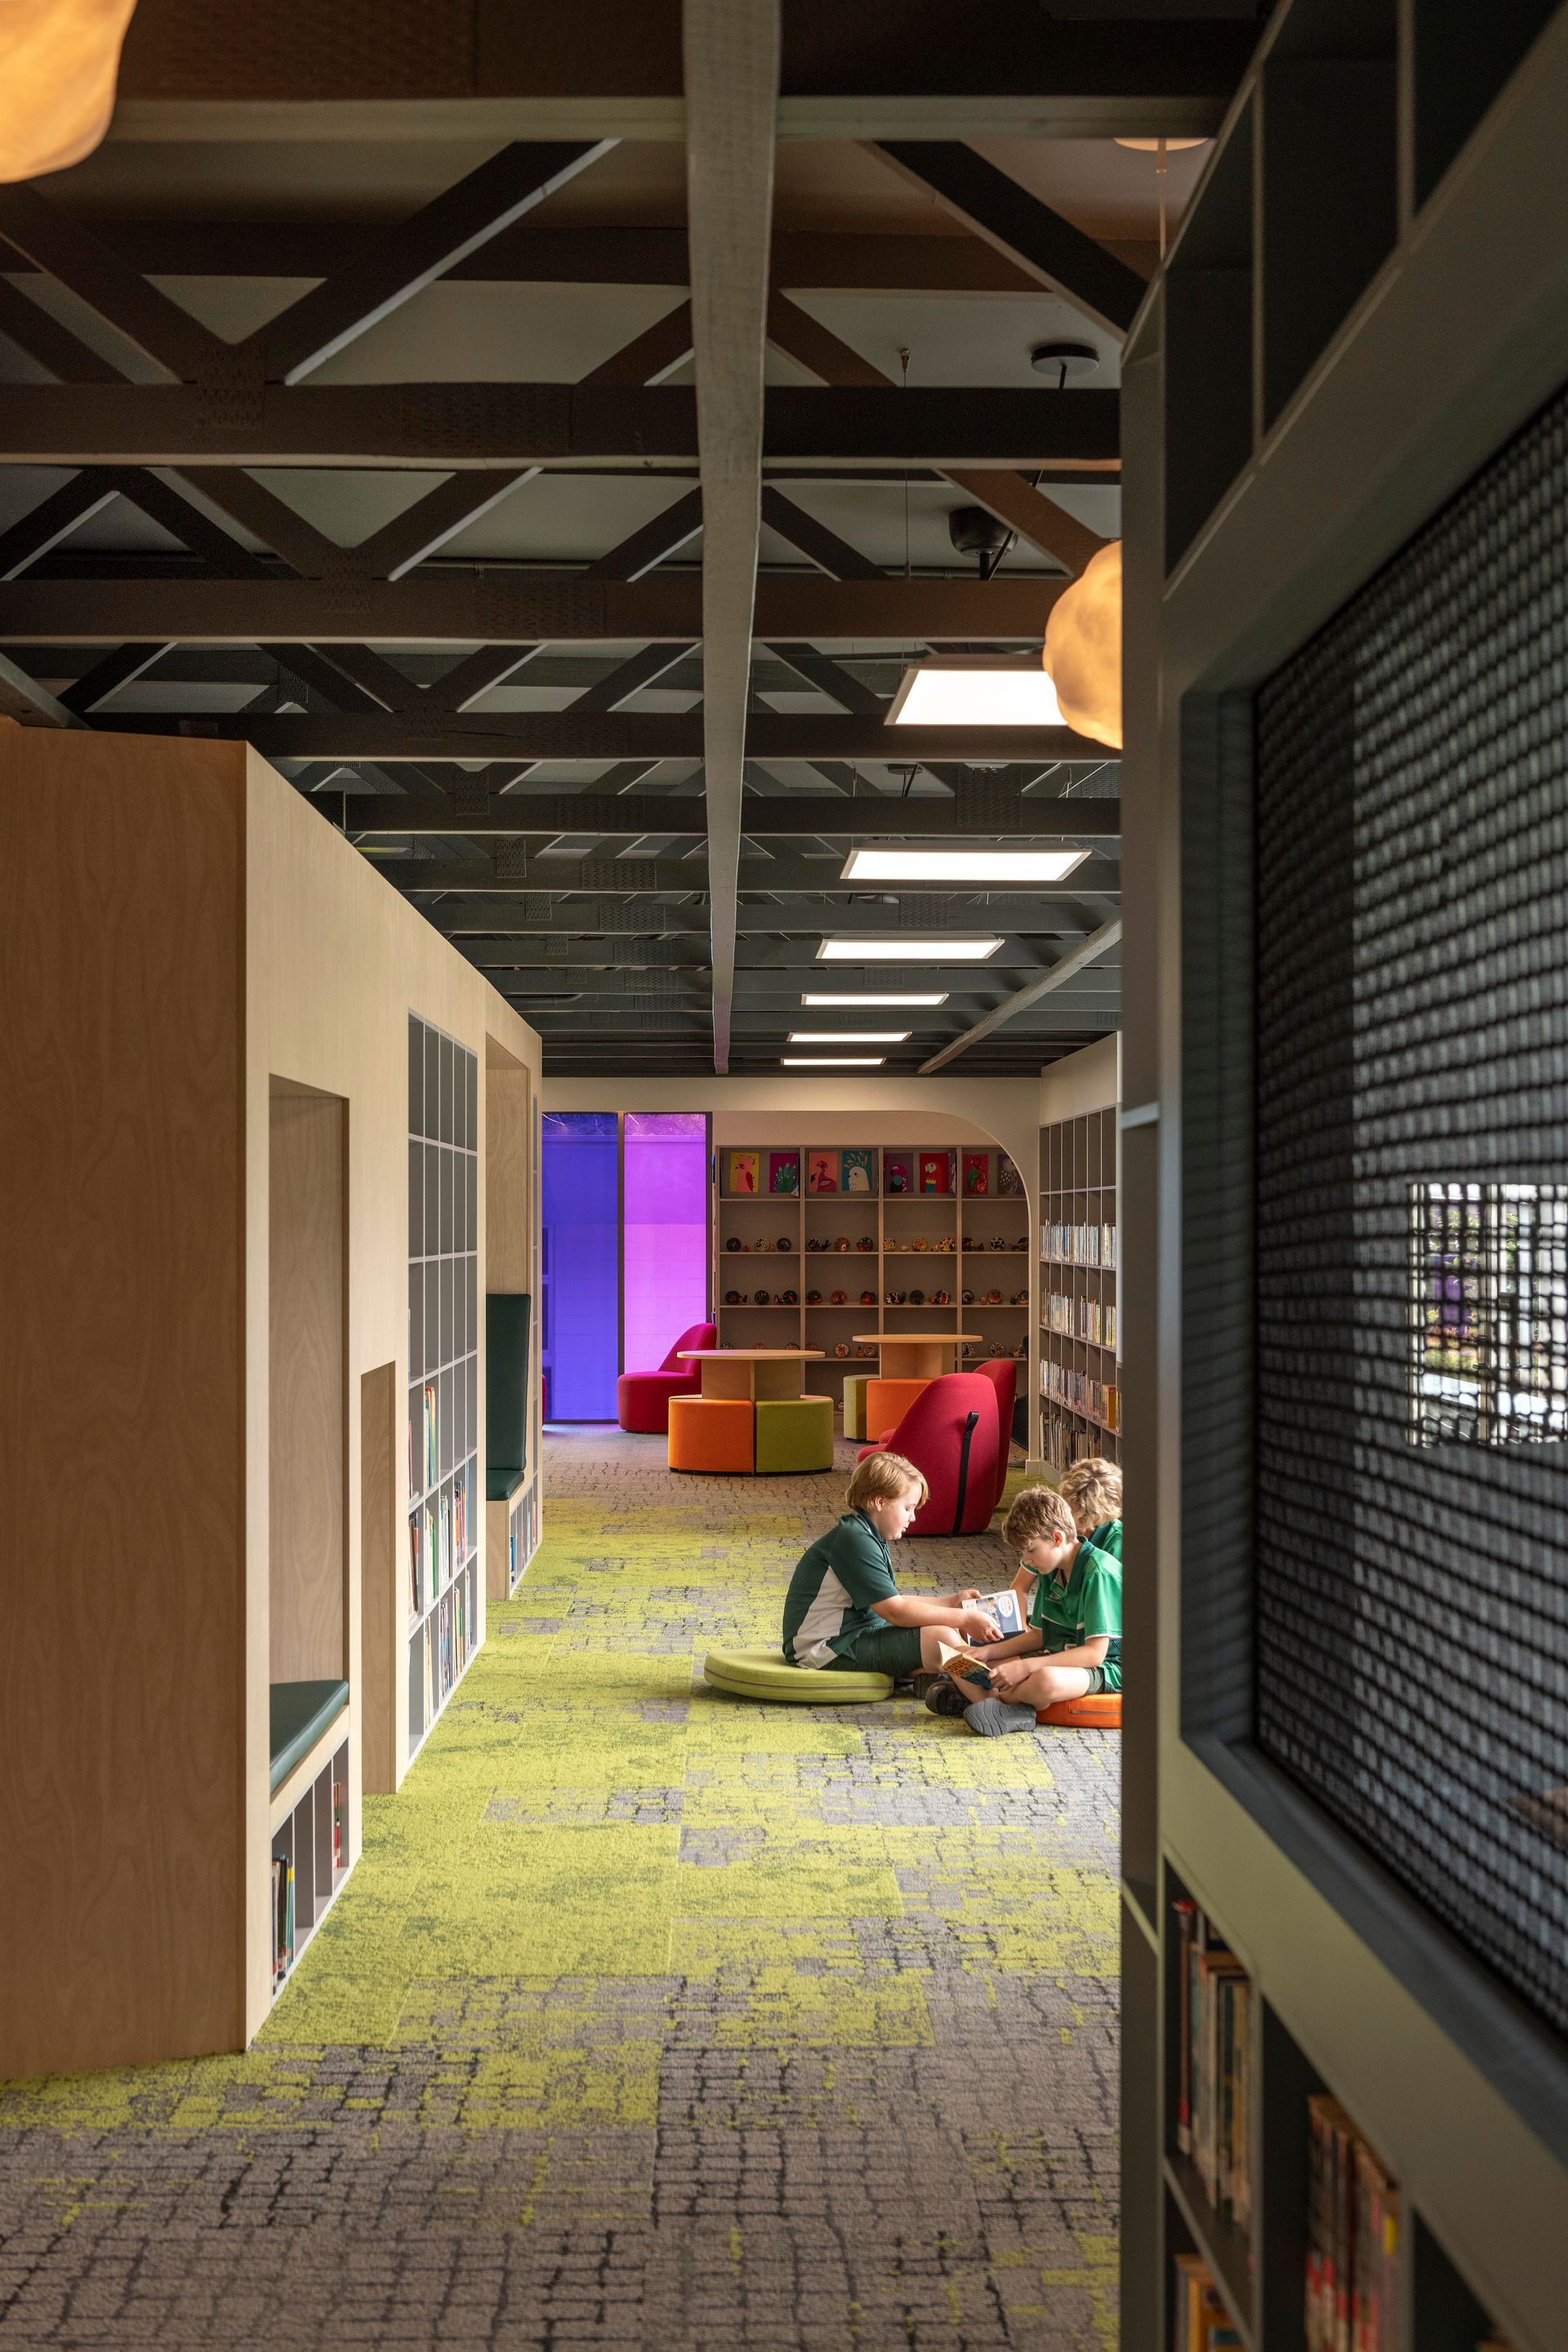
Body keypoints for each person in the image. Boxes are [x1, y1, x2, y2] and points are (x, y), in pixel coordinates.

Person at [924, 1469, 1122, 1735]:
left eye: (1030, 1551)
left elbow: (1094, 1654)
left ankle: (989, 1702)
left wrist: (1025, 1666)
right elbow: (1040, 1635)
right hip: (1056, 1654)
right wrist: (989, 1653)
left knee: (1046, 1679)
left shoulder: (1098, 1571)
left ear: (1057, 1538)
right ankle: (1004, 1707)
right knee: (962, 1658)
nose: (1027, 1562)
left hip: (1105, 1667)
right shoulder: (1051, 1569)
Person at [782, 1450, 1004, 1683]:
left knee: (947, 1626)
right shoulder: (855, 1540)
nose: (913, 1518)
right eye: (908, 1508)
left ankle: (944, 1679)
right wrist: (964, 1618)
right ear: (880, 1502)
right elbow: (894, 1611)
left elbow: (891, 1600)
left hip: (854, 1633)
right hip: (823, 1648)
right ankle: (990, 1693)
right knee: (943, 1638)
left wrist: (951, 1603)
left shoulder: (865, 1533)